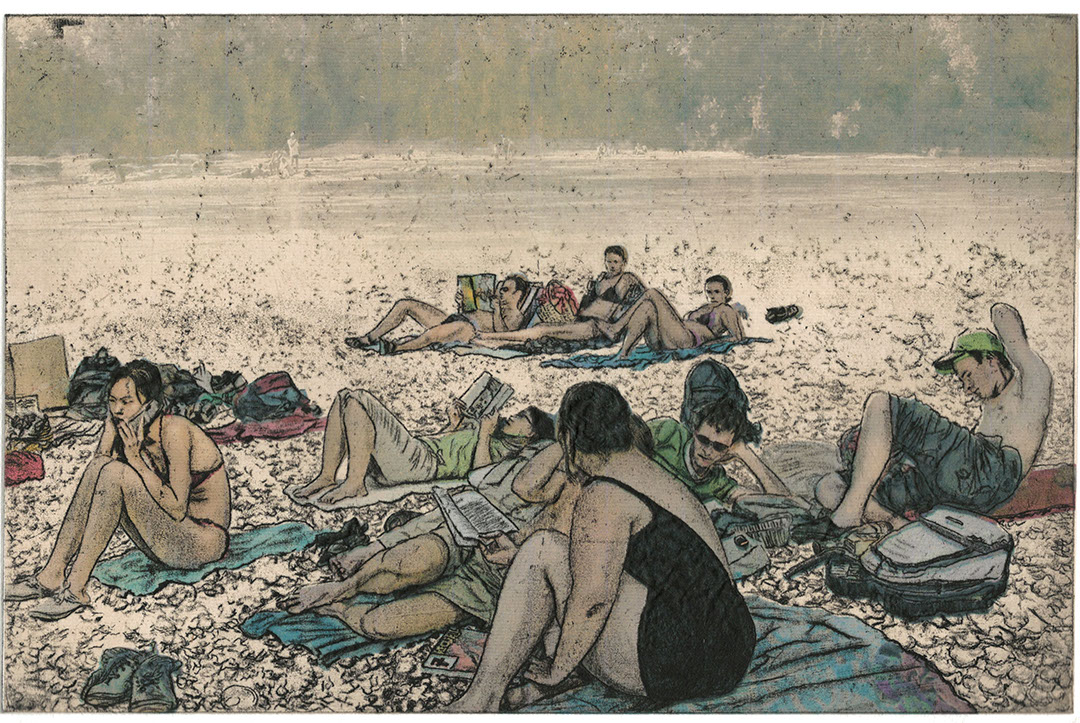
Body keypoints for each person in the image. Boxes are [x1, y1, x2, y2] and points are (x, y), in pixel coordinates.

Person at [446, 382, 756, 712]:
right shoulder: (654, 476)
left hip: (674, 667)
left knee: (541, 550)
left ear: (567, 439)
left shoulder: (605, 493)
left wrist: (556, 670)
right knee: (568, 565)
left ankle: (481, 701)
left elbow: (592, 602)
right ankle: (560, 675)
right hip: (731, 651)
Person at [279, 438, 577, 643]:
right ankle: (341, 589)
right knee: (415, 559)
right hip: (462, 539)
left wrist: (514, 556)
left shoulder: (588, 498)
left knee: (379, 625)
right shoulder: (532, 462)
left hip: (490, 582)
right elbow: (510, 490)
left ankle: (339, 608)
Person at [5, 361, 231, 620]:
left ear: (150, 404)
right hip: (170, 537)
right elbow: (97, 470)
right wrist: (109, 430)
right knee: (103, 467)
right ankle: (51, 575)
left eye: (126, 402)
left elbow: (178, 509)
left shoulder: (174, 430)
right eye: (112, 401)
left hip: (202, 542)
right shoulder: (130, 430)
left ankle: (76, 588)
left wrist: (135, 460)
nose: (117, 410)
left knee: (115, 473)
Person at [823, 303, 1052, 531]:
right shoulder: (990, 410)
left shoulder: (1031, 388)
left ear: (991, 361)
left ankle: (850, 515)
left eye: (968, 375)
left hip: (990, 473)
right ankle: (898, 525)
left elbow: (1001, 313)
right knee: (830, 486)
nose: (967, 387)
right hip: (962, 489)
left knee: (882, 404)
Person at [292, 387, 555, 504]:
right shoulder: (493, 432)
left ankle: (355, 484)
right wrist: (454, 426)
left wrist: (484, 433)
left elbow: (480, 475)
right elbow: (448, 446)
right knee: (344, 397)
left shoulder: (507, 452)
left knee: (357, 399)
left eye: (522, 417)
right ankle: (327, 476)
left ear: (531, 433)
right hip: (419, 452)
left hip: (420, 464)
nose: (513, 416)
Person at [648, 359, 790, 505]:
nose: (708, 451)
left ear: (729, 448)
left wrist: (746, 455)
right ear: (694, 430)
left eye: (719, 446)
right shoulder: (668, 433)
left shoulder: (717, 482)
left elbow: (785, 504)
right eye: (703, 440)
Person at [472, 245, 645, 349]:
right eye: (609, 261)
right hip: (582, 320)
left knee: (543, 331)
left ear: (624, 263)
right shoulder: (601, 278)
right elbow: (586, 305)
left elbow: (641, 302)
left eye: (616, 262)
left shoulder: (627, 279)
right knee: (543, 327)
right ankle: (497, 339)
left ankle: (489, 337)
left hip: (596, 327)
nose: (612, 265)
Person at [345, 274, 534, 354]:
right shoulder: (499, 304)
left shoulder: (516, 315)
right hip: (458, 320)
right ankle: (369, 337)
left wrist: (497, 308)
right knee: (405, 304)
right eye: (500, 288)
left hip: (468, 330)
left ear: (518, 294)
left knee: (433, 334)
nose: (500, 292)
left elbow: (502, 333)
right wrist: (464, 302)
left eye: (505, 290)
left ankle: (397, 348)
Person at [598, 274, 744, 359]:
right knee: (647, 306)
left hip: (688, 340)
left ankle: (617, 328)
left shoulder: (726, 310)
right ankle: (623, 353)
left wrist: (709, 344)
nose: (712, 296)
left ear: (726, 293)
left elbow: (737, 337)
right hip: (667, 340)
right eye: (709, 292)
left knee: (652, 293)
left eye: (717, 292)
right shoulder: (706, 307)